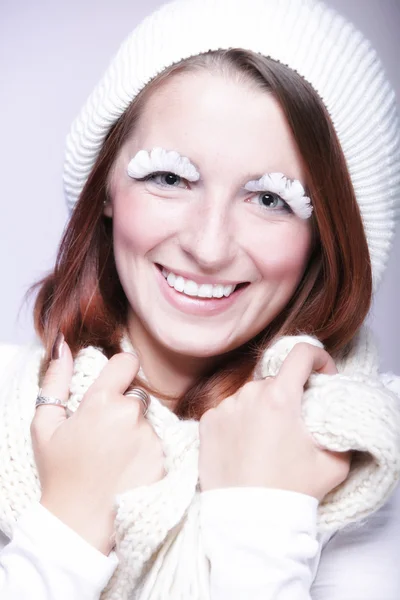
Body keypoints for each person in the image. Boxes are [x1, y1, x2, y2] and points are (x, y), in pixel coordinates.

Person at [1, 0, 399, 598]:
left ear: (330, 234)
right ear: (106, 186)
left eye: (270, 199)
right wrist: (66, 529)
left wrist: (263, 524)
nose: (209, 247)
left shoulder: (375, 447)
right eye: (169, 178)